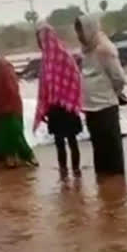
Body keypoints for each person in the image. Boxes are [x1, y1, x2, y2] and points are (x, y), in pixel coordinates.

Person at [74, 14, 126, 175]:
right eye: (77, 32)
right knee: (99, 150)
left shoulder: (105, 49)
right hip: (91, 109)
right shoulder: (86, 50)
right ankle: (105, 189)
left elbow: (118, 78)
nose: (79, 36)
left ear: (89, 29)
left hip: (106, 107)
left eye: (81, 31)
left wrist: (113, 94)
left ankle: (117, 190)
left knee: (113, 153)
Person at [33, 22, 83, 177]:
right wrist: (45, 108)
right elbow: (44, 87)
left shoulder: (64, 56)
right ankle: (64, 173)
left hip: (67, 107)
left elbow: (75, 78)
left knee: (72, 141)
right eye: (41, 40)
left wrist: (68, 98)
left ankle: (76, 171)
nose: (43, 43)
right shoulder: (45, 61)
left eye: (43, 39)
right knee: (59, 142)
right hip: (55, 109)